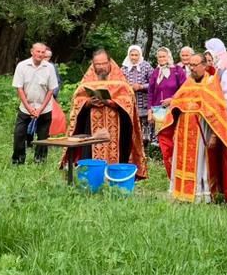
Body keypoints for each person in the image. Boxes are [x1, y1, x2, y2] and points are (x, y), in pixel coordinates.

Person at [158, 53, 227, 203]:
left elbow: (218, 115)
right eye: (190, 65)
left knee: (200, 165)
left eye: (195, 65)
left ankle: (199, 194)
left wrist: (214, 136)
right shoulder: (188, 83)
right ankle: (179, 191)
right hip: (183, 133)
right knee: (181, 162)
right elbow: (177, 102)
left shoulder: (211, 85)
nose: (191, 68)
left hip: (201, 133)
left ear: (204, 66)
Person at [66, 49, 149, 178]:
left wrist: (111, 102)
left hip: (117, 128)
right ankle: (91, 181)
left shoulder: (120, 81)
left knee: (118, 154)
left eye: (103, 63)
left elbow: (128, 103)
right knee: (90, 156)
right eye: (97, 64)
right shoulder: (88, 81)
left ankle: (115, 179)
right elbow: (77, 102)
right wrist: (88, 103)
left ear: (109, 62)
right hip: (90, 127)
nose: (100, 67)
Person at [11, 42, 59, 165]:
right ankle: (18, 160)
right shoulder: (22, 66)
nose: (40, 54)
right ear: (32, 52)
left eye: (43, 52)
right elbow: (19, 88)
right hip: (26, 107)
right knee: (19, 134)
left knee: (43, 137)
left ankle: (40, 160)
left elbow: (51, 90)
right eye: (38, 51)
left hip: (44, 108)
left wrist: (40, 109)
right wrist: (29, 107)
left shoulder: (49, 68)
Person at [148, 47, 186, 175]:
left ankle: (179, 171)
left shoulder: (177, 71)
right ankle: (170, 173)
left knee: (176, 141)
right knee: (164, 143)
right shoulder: (155, 72)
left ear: (169, 56)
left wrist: (173, 99)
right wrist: (149, 111)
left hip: (174, 111)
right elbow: (150, 93)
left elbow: (184, 90)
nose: (161, 59)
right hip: (159, 113)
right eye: (159, 57)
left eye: (164, 56)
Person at [121, 45, 154, 147]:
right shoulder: (123, 68)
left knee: (144, 130)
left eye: (136, 55)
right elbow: (119, 84)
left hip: (143, 103)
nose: (134, 57)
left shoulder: (146, 66)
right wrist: (127, 87)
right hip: (129, 103)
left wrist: (141, 86)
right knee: (130, 128)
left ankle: (144, 150)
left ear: (140, 55)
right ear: (128, 55)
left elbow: (154, 84)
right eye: (132, 55)